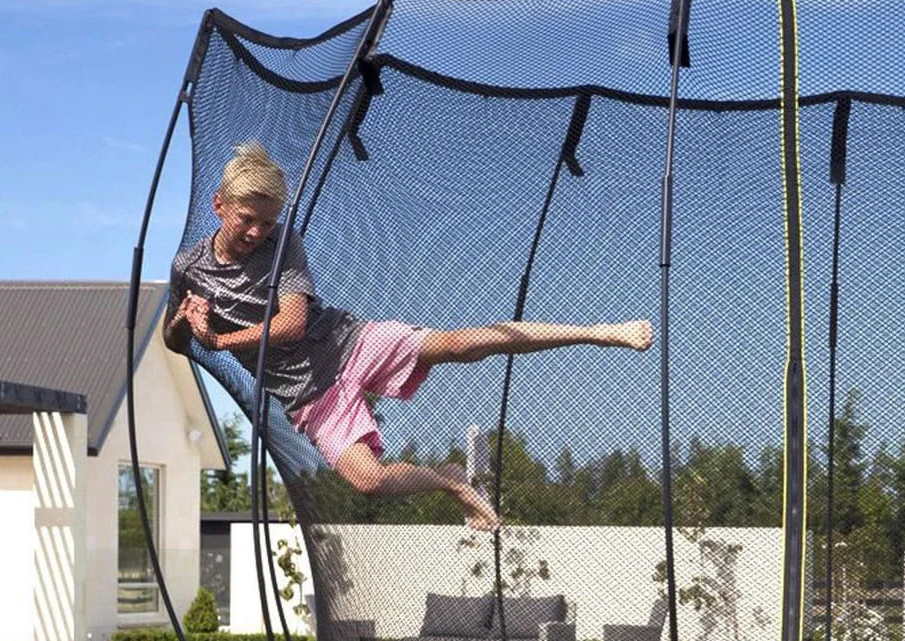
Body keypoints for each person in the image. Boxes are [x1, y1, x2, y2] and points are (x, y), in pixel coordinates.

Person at [165, 143, 653, 530]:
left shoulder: (283, 244)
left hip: (347, 344)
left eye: (267, 221)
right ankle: (451, 481)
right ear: (220, 206)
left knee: (462, 345)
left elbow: (291, 324)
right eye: (247, 219)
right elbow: (173, 341)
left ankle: (597, 332)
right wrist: (186, 324)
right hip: (308, 397)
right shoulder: (189, 267)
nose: (257, 232)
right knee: (369, 481)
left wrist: (220, 341)